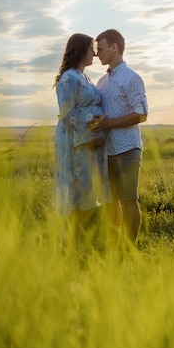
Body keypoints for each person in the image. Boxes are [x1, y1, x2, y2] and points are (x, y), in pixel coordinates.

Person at [91, 29, 148, 247]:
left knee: (128, 200)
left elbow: (141, 113)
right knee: (110, 202)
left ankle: (130, 248)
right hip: (106, 150)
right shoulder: (101, 82)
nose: (97, 55)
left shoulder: (132, 78)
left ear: (114, 47)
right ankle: (113, 248)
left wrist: (109, 124)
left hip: (127, 149)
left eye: (101, 49)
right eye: (96, 51)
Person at [53, 33, 110, 249]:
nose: (95, 53)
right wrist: (88, 138)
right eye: (91, 49)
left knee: (85, 199)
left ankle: (69, 245)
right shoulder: (68, 78)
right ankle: (66, 246)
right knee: (77, 200)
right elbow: (67, 115)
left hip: (85, 144)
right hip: (74, 143)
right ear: (79, 50)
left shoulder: (83, 77)